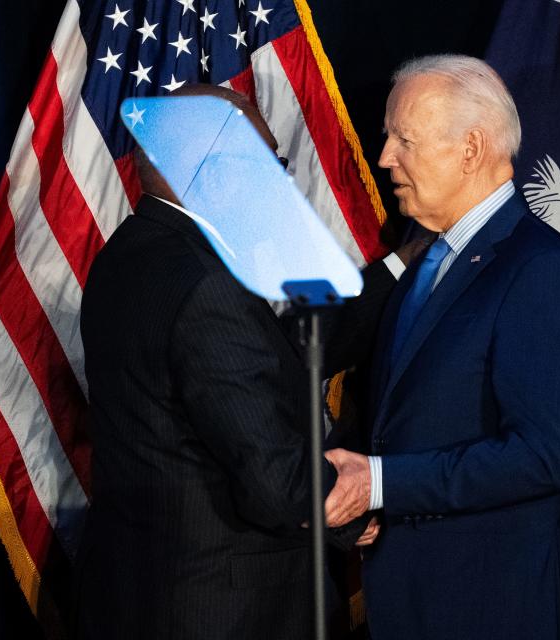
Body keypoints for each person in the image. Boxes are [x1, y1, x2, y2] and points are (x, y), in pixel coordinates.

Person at [75, 84, 399, 639]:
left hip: (140, 595)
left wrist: (400, 266)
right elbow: (277, 482)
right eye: (271, 163)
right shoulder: (207, 287)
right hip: (227, 612)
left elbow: (268, 359)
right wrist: (364, 510)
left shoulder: (125, 259)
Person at [322, 55, 560, 639]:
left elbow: (537, 457)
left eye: (403, 139)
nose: (385, 158)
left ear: (470, 150)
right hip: (407, 605)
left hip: (485, 610)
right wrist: (365, 497)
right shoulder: (427, 264)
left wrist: (379, 481)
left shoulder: (537, 270)